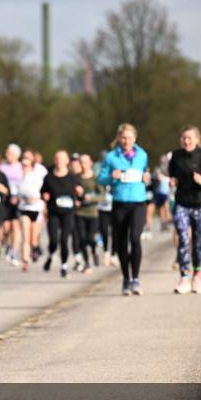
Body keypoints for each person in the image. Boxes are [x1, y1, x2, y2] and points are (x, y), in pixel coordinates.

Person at [98, 123, 151, 296]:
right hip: (120, 203)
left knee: (135, 238)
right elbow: (101, 179)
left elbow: (146, 174)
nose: (126, 141)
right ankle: (126, 278)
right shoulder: (111, 157)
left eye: (129, 137)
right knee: (121, 243)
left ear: (135, 138)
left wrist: (146, 178)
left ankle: (136, 278)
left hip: (138, 202)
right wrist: (111, 177)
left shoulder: (142, 155)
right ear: (119, 138)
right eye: (123, 138)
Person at [167, 126, 201, 294]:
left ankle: (196, 277)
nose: (186, 141)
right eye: (183, 138)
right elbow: (172, 172)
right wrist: (173, 180)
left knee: (197, 242)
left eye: (189, 138)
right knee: (182, 238)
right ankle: (184, 277)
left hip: (199, 204)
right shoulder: (176, 155)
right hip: (181, 203)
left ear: (197, 139)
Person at [41, 150, 84, 278]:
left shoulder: (72, 177)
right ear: (55, 161)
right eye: (57, 159)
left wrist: (80, 194)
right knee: (53, 240)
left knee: (64, 240)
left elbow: (81, 194)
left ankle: (64, 266)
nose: (59, 161)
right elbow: (42, 192)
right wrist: (44, 196)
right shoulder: (49, 177)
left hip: (68, 213)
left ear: (67, 161)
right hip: (53, 213)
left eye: (62, 159)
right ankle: (51, 255)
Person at [17, 155, 45, 272]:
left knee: (33, 239)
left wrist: (35, 198)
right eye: (22, 165)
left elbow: (43, 193)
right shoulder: (20, 180)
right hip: (24, 209)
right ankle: (25, 261)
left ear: (32, 167)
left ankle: (35, 248)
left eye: (26, 165)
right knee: (25, 236)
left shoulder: (37, 179)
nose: (24, 167)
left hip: (36, 210)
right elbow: (17, 194)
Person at [74, 154, 101, 272]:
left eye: (85, 162)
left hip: (92, 212)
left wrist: (91, 198)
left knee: (90, 238)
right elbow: (70, 192)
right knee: (82, 239)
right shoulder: (76, 178)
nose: (83, 165)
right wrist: (75, 199)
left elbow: (102, 195)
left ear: (90, 163)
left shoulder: (95, 178)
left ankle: (94, 251)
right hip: (79, 213)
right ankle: (87, 263)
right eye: (81, 162)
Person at [0, 144, 24, 266]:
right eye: (7, 153)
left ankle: (14, 252)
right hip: (6, 200)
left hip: (18, 199)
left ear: (16, 155)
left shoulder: (21, 167)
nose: (7, 155)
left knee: (16, 226)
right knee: (6, 227)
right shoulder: (2, 167)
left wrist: (19, 196)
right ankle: (8, 246)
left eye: (10, 153)